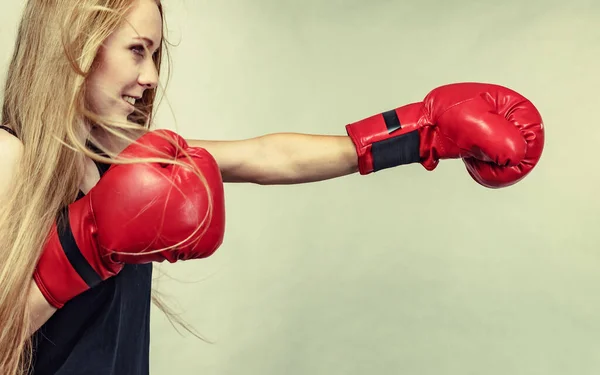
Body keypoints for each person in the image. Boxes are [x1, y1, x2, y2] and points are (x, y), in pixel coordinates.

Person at [0, 0, 545, 374]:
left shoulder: (129, 161)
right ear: (76, 44)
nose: (151, 77)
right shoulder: (11, 155)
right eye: (137, 50)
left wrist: (417, 133)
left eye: (155, 55)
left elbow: (267, 156)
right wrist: (83, 247)